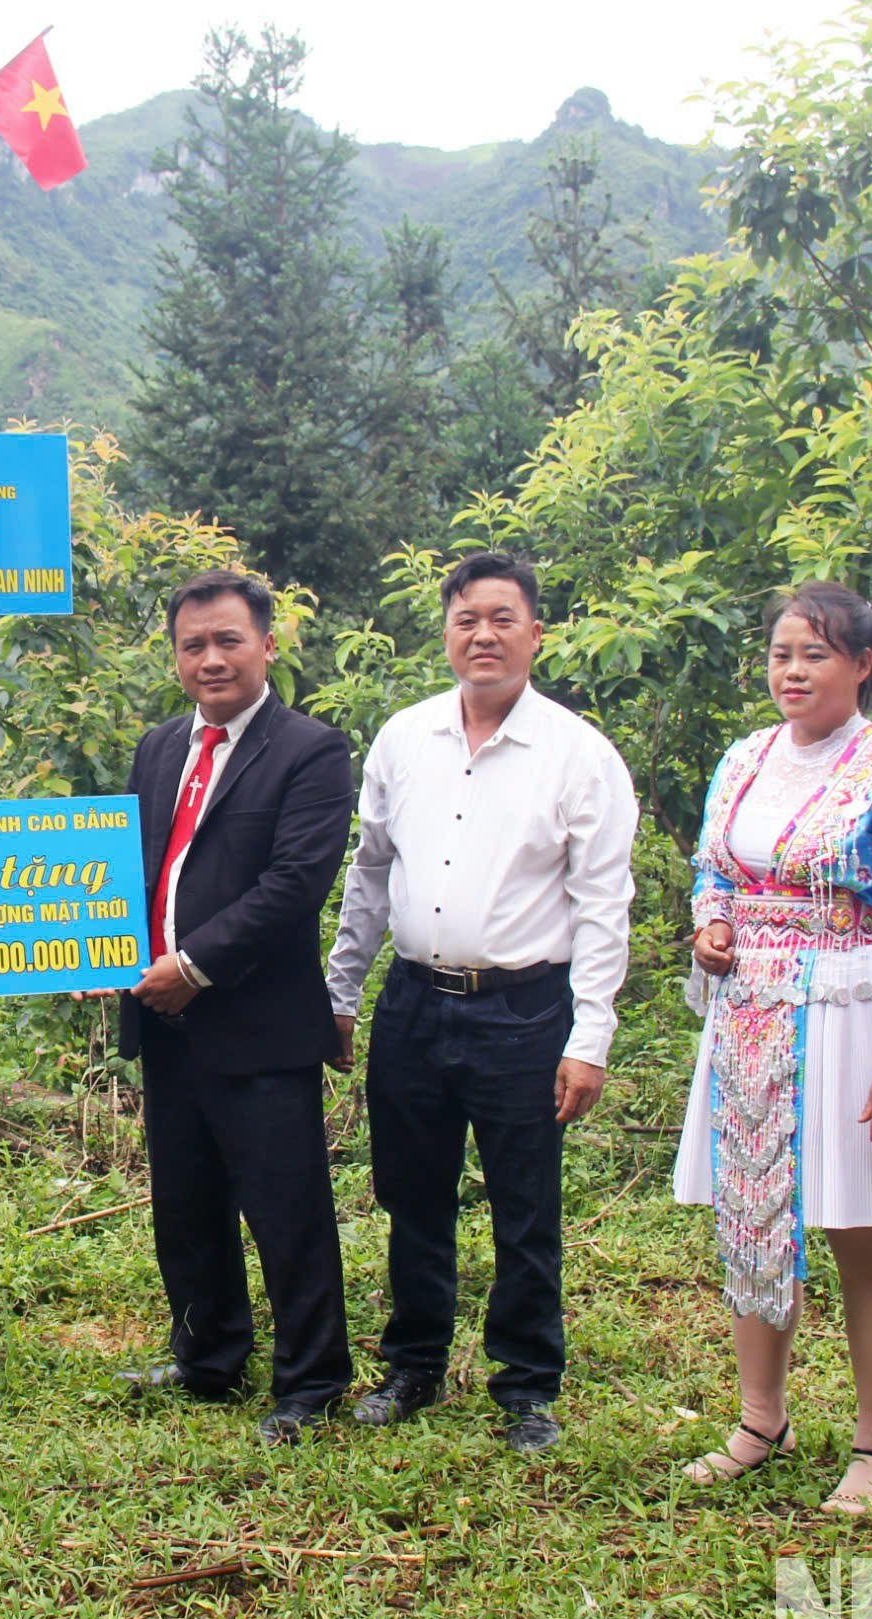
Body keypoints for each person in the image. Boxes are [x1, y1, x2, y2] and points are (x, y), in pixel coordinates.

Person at [326, 551, 637, 1452]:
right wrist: (342, 989)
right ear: (447, 632)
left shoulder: (579, 755)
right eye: (467, 619)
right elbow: (369, 875)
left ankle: (525, 1386)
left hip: (525, 1010)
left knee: (524, 1202)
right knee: (411, 1192)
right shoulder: (403, 739)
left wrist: (591, 1039)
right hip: (415, 1003)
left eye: (503, 618)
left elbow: (602, 904)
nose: (483, 635)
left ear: (536, 634)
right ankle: (415, 1364)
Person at [671, 582, 872, 1515]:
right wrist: (712, 923)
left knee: (859, 1234)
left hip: (850, 1012)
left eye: (815, 655)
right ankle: (762, 1419)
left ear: (863, 665)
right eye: (780, 655)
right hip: (751, 1012)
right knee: (751, 1216)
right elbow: (712, 867)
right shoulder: (746, 757)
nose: (791, 672)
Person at [115, 569, 357, 1444]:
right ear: (175, 656)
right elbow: (136, 874)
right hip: (166, 1020)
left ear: (266, 644)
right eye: (192, 645)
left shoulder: (311, 750)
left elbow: (293, 886)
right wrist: (100, 951)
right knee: (184, 1204)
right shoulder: (157, 748)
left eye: (227, 640)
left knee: (286, 1209)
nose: (210, 659)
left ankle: (314, 1380)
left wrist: (195, 965)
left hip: (254, 1022)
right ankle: (206, 1356)